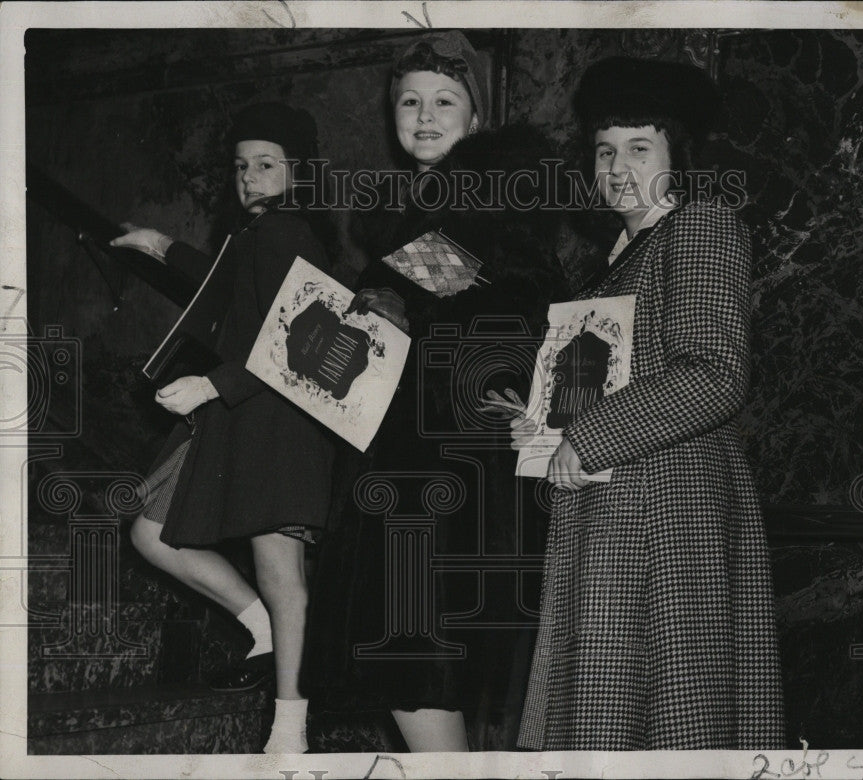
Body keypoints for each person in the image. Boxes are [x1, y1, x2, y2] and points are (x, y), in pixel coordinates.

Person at [302, 31, 565, 752]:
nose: (423, 115)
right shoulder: (419, 210)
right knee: (421, 688)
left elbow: (507, 314)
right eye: (409, 101)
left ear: (476, 118)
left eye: (445, 101)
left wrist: (394, 299)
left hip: (456, 480)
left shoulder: (495, 195)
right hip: (412, 469)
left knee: (423, 680)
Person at [512, 57, 785, 750]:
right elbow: (611, 377)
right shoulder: (621, 252)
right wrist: (544, 432)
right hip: (618, 512)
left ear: (677, 157)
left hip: (669, 515)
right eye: (605, 151)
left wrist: (588, 438)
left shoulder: (699, 225)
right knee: (617, 722)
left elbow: (714, 373)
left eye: (640, 148)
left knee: (667, 724)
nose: (618, 167)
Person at [111, 102, 337, 754]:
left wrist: (213, 384)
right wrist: (159, 244)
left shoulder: (287, 232)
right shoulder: (261, 235)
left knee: (279, 570)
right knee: (153, 530)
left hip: (276, 417)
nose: (249, 177)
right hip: (244, 412)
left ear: (299, 173)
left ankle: (290, 726)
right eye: (242, 166)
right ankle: (260, 624)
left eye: (266, 164)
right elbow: (224, 287)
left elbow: (303, 336)